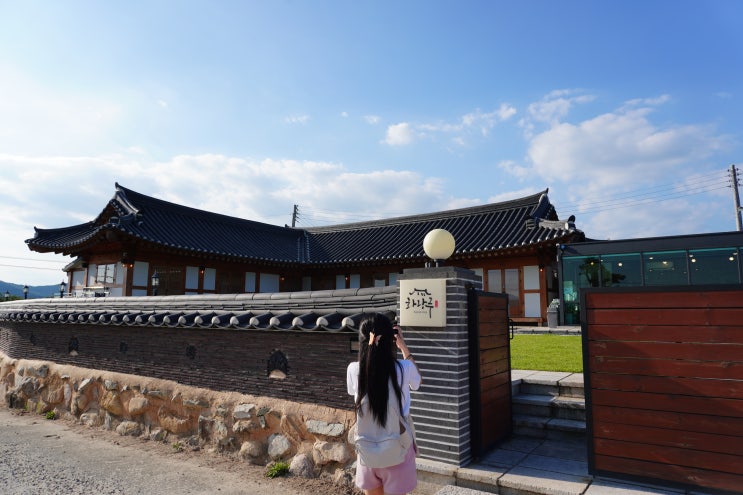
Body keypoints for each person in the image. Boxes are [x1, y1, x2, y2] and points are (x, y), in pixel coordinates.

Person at [347, 313, 422, 495]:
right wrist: (403, 346)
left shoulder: (354, 369)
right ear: (391, 339)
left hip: (367, 450)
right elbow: (418, 382)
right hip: (398, 448)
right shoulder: (404, 368)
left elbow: (354, 391)